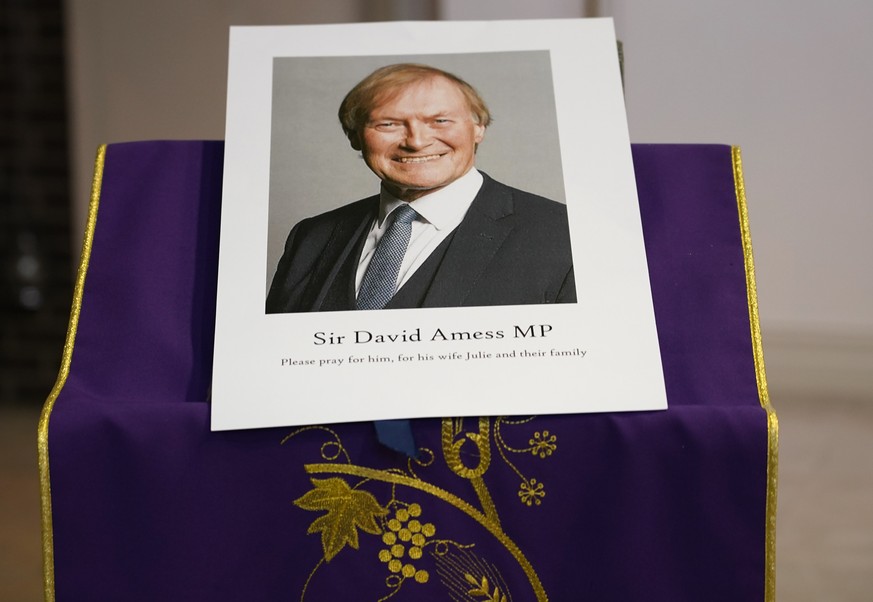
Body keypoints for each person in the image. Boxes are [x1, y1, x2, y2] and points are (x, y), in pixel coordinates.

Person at [266, 63, 575, 313]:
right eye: (388, 124)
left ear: (479, 127)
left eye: (440, 120)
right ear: (355, 137)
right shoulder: (311, 237)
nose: (415, 141)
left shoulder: (563, 233)